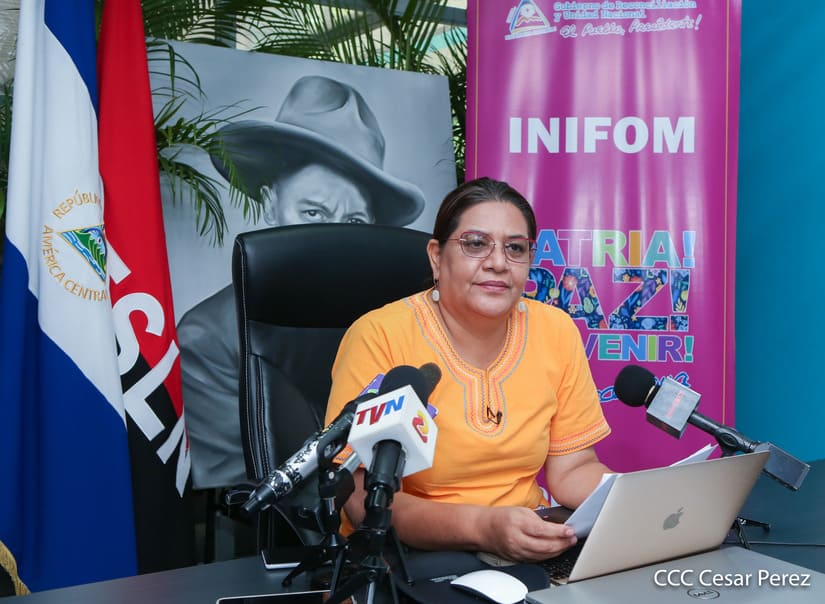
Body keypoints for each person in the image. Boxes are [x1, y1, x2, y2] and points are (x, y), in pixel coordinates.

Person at [324, 177, 612, 562]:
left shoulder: (555, 330)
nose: (497, 263)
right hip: (401, 559)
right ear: (436, 257)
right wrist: (483, 528)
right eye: (476, 244)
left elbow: (572, 469)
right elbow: (361, 498)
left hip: (525, 546)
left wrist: (636, 500)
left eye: (515, 248)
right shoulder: (380, 335)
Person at [177, 75, 427, 491]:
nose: (332, 238)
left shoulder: (398, 326)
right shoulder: (209, 337)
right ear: (270, 205)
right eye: (313, 213)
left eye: (354, 221)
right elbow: (237, 490)